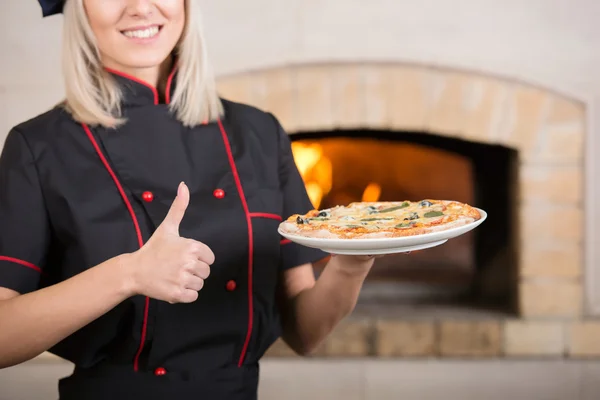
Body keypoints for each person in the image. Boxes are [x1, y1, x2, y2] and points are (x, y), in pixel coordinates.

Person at [0, 1, 381, 399]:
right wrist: (129, 275)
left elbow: (305, 332)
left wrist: (352, 264)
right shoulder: (38, 147)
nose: (141, 7)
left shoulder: (259, 134)